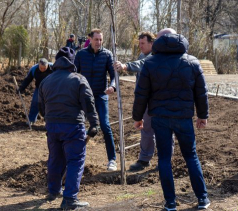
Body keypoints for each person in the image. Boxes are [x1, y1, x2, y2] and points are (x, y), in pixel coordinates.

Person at [132, 33, 210, 210]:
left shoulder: (150, 63)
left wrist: (137, 118)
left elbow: (141, 93)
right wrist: (202, 115)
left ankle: (170, 203)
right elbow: (201, 92)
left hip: (160, 118)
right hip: (183, 118)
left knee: (164, 159)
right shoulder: (192, 62)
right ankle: (203, 199)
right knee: (191, 156)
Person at [38, 47, 99, 210]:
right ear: (72, 62)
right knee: (75, 160)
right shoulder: (78, 79)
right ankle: (70, 198)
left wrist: (50, 118)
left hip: (52, 126)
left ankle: (53, 191)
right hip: (73, 125)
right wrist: (94, 124)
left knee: (55, 158)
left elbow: (41, 107)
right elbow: (89, 104)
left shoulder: (46, 81)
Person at [114, 29, 176, 171]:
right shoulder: (143, 54)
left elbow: (143, 64)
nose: (140, 45)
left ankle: (166, 160)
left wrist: (126, 66)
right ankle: (144, 159)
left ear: (152, 43)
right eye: (139, 43)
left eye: (143, 43)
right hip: (146, 99)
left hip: (160, 99)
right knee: (146, 129)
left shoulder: (157, 55)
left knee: (165, 130)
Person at [74, 28, 118, 171]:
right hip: (84, 96)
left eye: (101, 39)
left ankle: (112, 160)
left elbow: (114, 76)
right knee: (77, 125)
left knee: (105, 126)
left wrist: (112, 86)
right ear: (90, 39)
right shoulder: (80, 55)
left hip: (100, 95)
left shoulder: (107, 55)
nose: (98, 42)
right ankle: (73, 157)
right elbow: (74, 74)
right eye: (96, 39)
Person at [17, 58, 53, 125]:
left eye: (44, 68)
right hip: (39, 88)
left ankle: (49, 121)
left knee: (50, 104)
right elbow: (28, 79)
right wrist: (21, 88)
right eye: (41, 68)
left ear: (47, 65)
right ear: (38, 65)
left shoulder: (54, 67)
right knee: (35, 102)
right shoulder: (34, 69)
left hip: (51, 88)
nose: (42, 70)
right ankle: (31, 120)